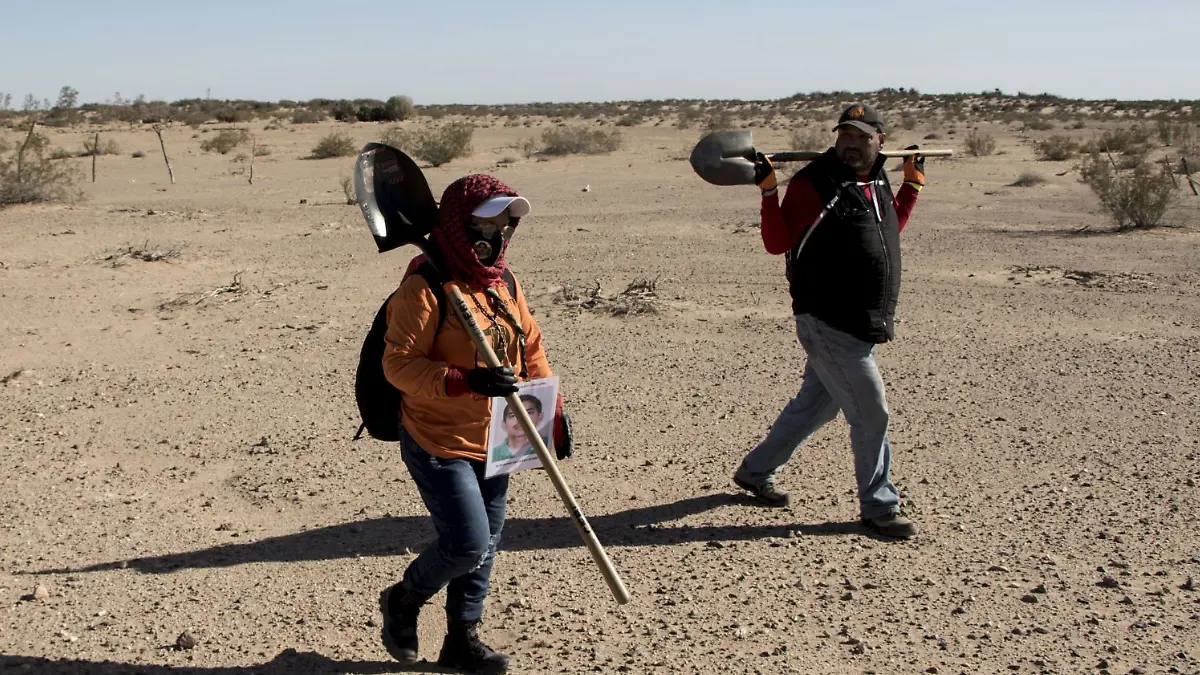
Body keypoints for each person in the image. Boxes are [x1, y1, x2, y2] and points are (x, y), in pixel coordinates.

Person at [378, 174, 572, 673]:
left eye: (505, 225)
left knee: (487, 543)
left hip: (498, 437)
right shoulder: (424, 287)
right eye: (487, 224)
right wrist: (466, 381)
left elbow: (530, 347)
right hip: (438, 437)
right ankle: (404, 598)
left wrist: (552, 409)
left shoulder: (502, 282)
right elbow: (398, 365)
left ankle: (461, 638)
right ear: (461, 225)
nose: (498, 236)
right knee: (467, 542)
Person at [731, 102, 924, 540]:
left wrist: (911, 186)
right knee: (872, 413)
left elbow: (887, 229)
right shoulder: (815, 183)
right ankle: (880, 506)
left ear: (881, 142)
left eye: (860, 137)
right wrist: (768, 193)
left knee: (816, 405)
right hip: (827, 320)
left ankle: (755, 471)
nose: (850, 145)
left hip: (862, 321)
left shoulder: (875, 179)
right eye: (844, 136)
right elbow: (777, 242)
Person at [491, 394, 548, 462]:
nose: (521, 419)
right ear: (504, 424)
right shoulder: (493, 454)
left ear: (540, 416)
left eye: (529, 413)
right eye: (513, 415)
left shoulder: (548, 445)